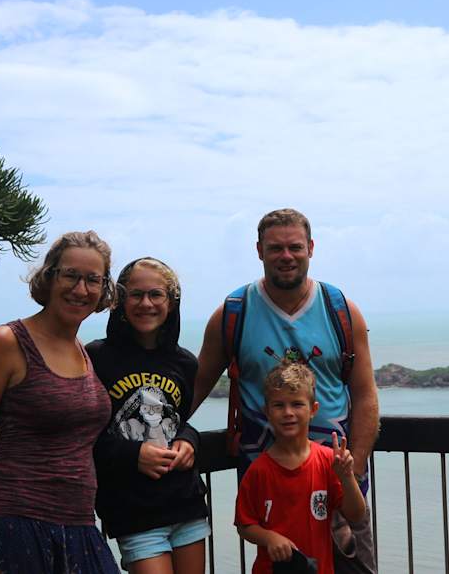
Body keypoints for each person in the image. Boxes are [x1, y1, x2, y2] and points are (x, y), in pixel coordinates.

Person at [193, 208, 380, 573]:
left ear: (311, 248)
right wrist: (168, 438)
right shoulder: (235, 312)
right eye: (276, 248)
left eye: (295, 247)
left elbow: (365, 394)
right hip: (270, 485)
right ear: (259, 250)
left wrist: (352, 472)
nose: (286, 256)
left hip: (335, 479)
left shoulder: (340, 310)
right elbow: (197, 386)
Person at [0, 231, 120, 574]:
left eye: (92, 280)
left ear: (102, 289)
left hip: (79, 523)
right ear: (50, 278)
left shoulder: (82, 350)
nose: (80, 289)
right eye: (70, 275)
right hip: (15, 521)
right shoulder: (7, 342)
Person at [86, 257, 209, 573]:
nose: (146, 303)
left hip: (186, 502)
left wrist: (188, 439)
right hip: (134, 511)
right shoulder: (96, 358)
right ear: (120, 300)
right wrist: (132, 454)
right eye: (135, 294)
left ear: (171, 302)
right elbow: (83, 434)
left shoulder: (185, 363)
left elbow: (180, 422)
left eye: (156, 295)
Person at [235, 361, 366, 574]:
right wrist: (270, 538)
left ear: (313, 410)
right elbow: (245, 525)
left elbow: (356, 514)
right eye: (279, 405)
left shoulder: (327, 461)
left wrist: (347, 477)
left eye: (297, 404)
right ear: (267, 411)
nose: (288, 412)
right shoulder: (259, 471)